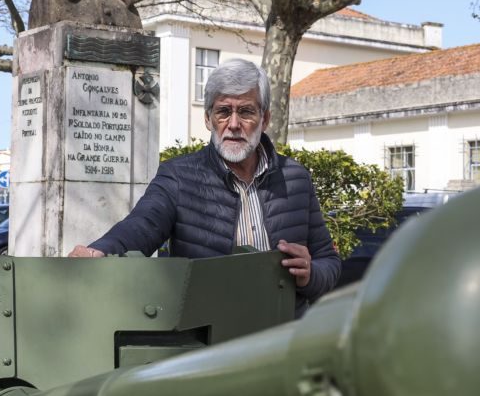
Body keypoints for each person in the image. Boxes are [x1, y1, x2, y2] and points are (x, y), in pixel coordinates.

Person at [69, 58, 341, 315]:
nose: (233, 125)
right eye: (223, 112)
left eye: (246, 112)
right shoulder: (178, 177)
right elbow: (141, 226)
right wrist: (100, 251)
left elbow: (328, 262)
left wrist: (310, 274)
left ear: (265, 119)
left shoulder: (295, 178)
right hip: (209, 344)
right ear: (208, 119)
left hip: (283, 342)